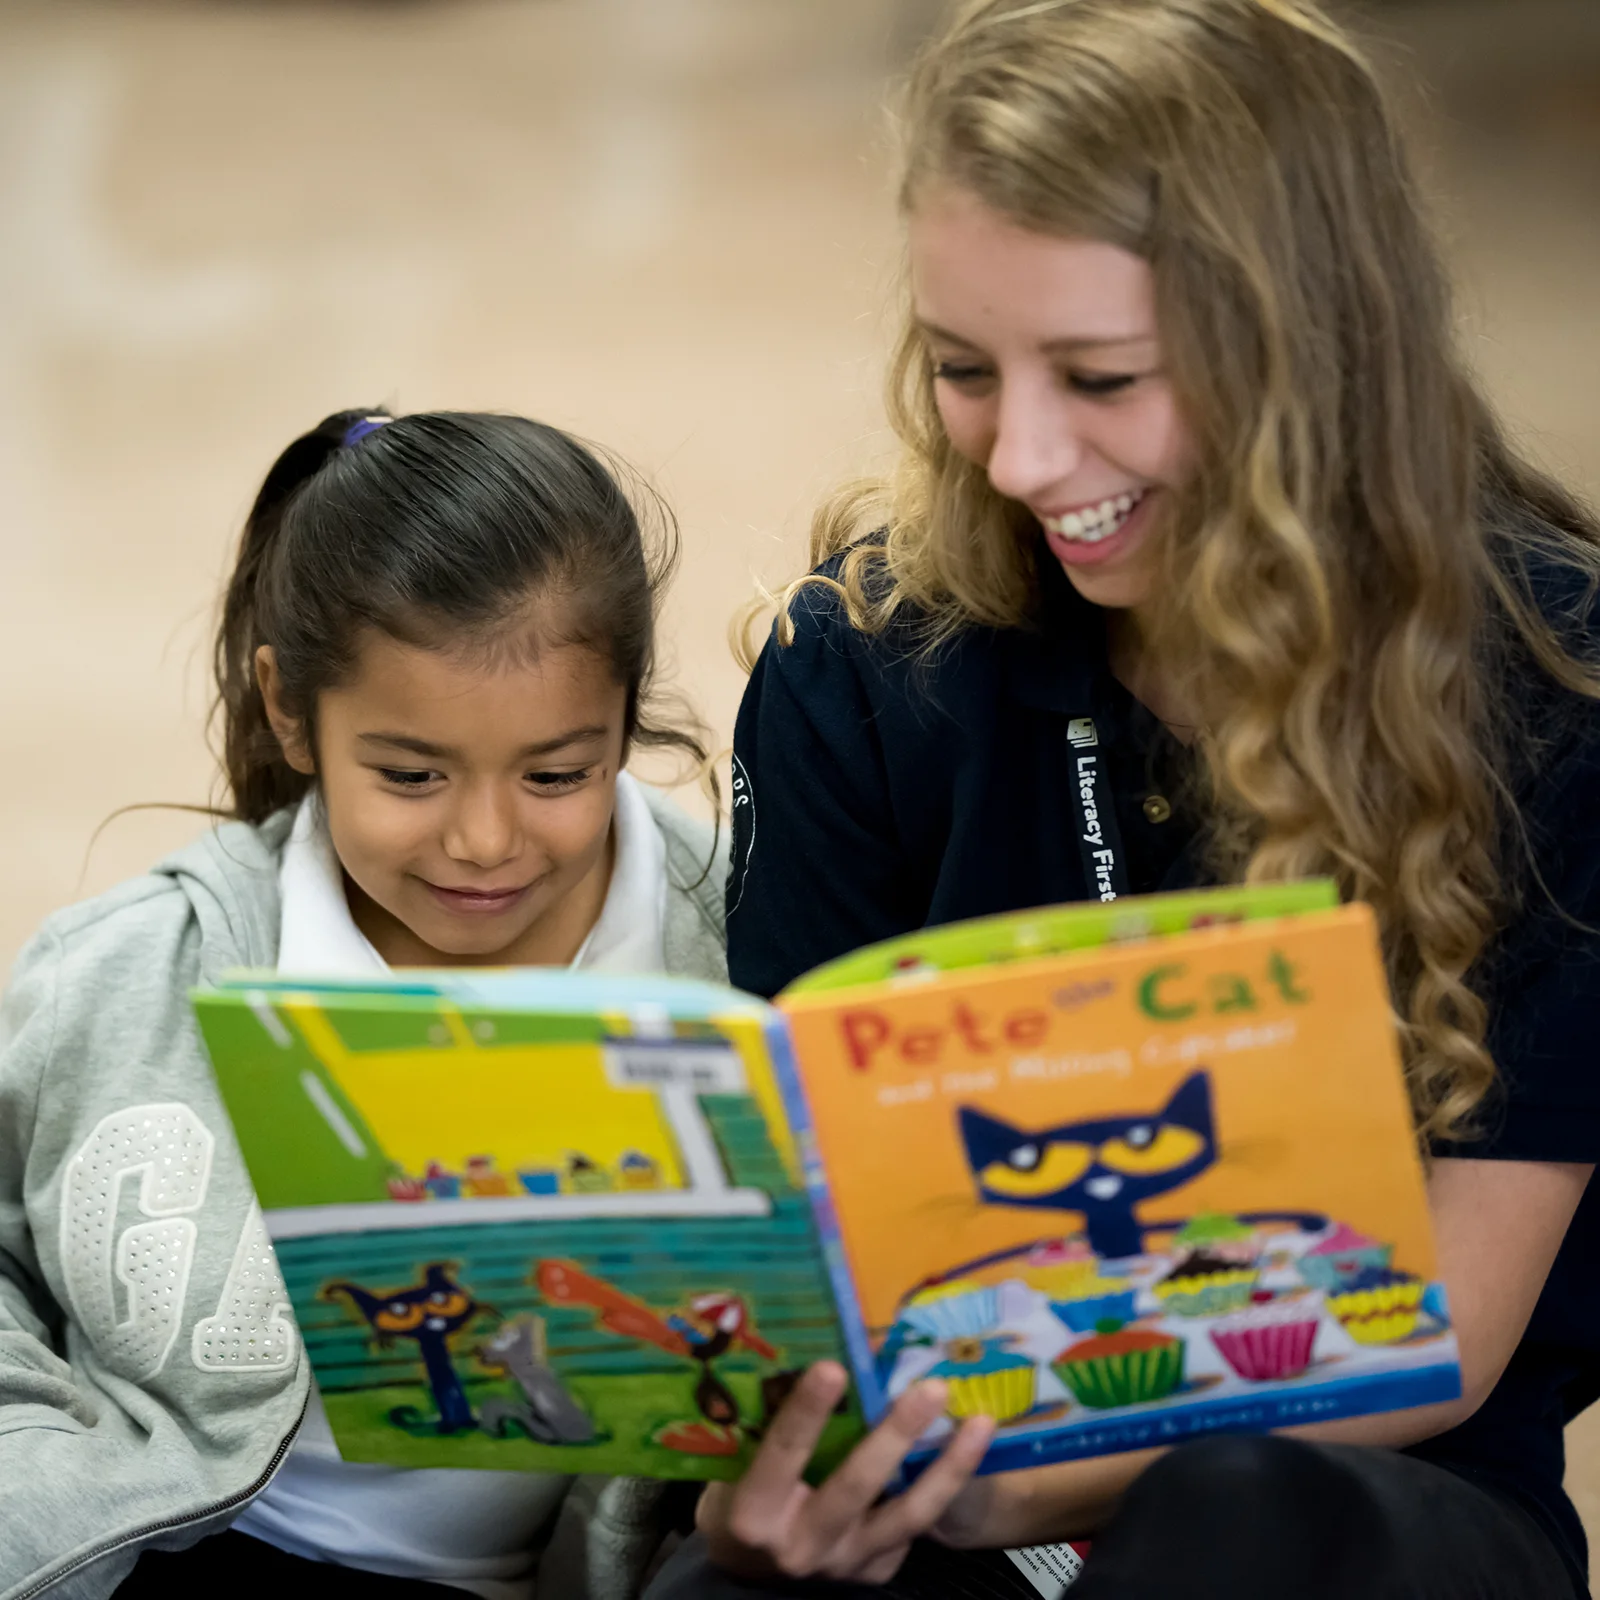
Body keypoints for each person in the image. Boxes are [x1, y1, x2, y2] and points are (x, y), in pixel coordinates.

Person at [648, 1, 1600, 1596]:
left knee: (1230, 1515)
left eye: (1100, 375)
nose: (1019, 456)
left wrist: (994, 1506)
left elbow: (1435, 1327)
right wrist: (781, 1481)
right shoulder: (865, 664)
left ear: (1311, 352)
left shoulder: (1555, 700)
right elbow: (803, 1243)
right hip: (941, 1465)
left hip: (1359, 1499)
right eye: (962, 368)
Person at [0, 409, 727, 1599]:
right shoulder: (131, 972)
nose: (484, 840)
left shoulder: (741, 946)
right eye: (409, 774)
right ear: (291, 710)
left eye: (556, 773)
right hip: (171, 1553)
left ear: (625, 716)